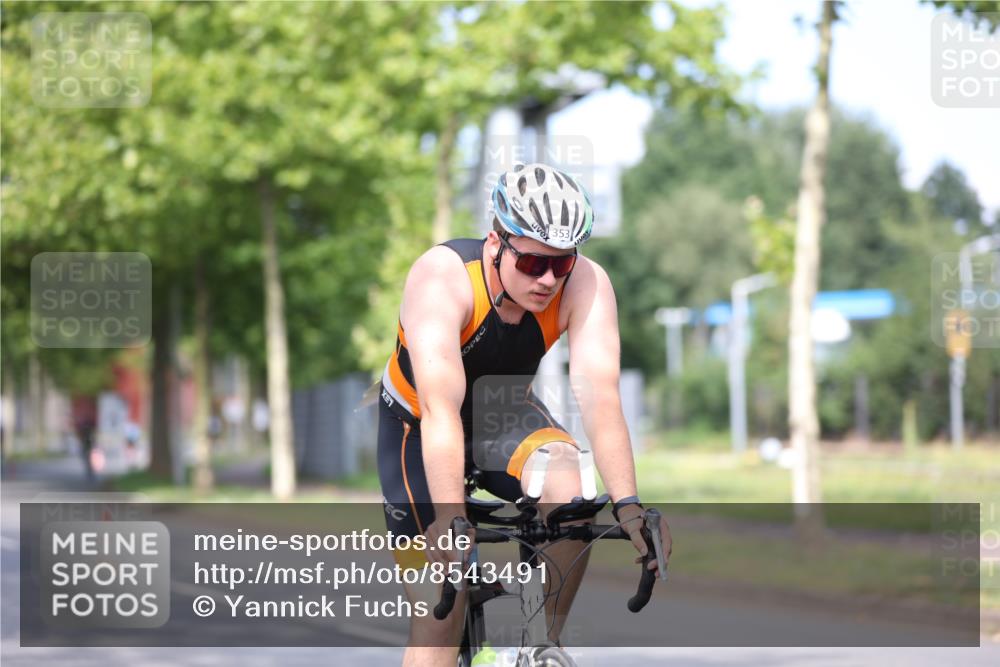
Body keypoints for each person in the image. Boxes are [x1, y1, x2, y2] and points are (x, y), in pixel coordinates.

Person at [377, 162, 672, 665]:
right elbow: (440, 410)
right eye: (534, 263)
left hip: (504, 411)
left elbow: (600, 396)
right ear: (496, 243)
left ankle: (540, 645)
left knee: (572, 490)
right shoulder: (441, 278)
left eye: (562, 263)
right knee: (438, 615)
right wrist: (449, 517)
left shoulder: (587, 283)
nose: (549, 279)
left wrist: (629, 505)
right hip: (418, 426)